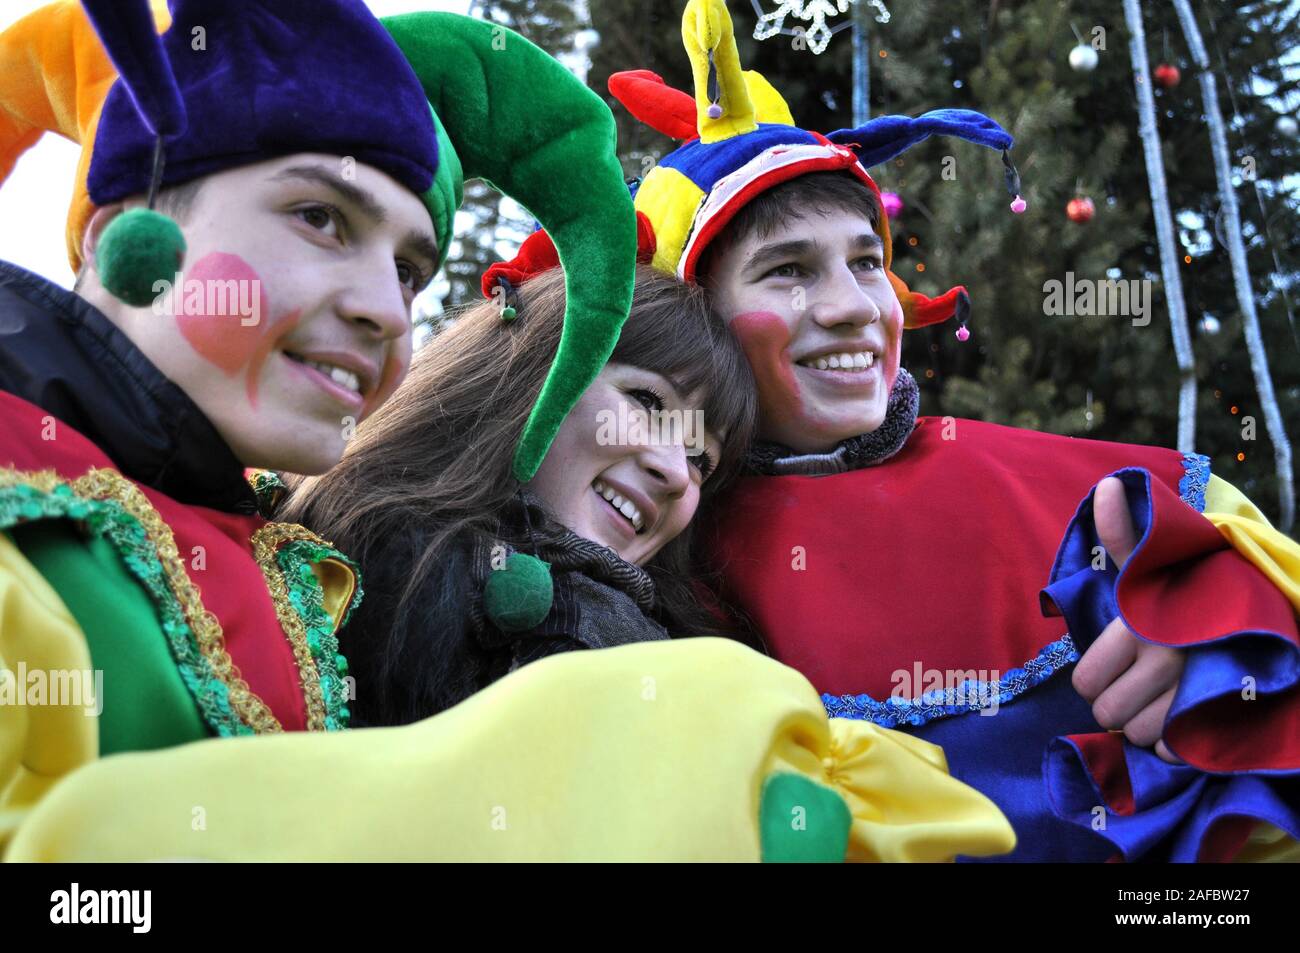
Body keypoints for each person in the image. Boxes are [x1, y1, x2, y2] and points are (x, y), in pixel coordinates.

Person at [608, 0, 1300, 861]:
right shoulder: (641, 536)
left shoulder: (1118, 502)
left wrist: (1237, 671)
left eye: (867, 261)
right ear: (698, 322)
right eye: (787, 271)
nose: (854, 307)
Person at [0, 0, 637, 847]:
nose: (387, 310)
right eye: (320, 217)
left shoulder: (283, 558)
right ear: (126, 232)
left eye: (410, 270)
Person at [280, 261, 759, 723]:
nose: (677, 472)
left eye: (701, 460)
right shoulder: (369, 557)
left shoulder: (692, 663)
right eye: (648, 402)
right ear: (533, 367)